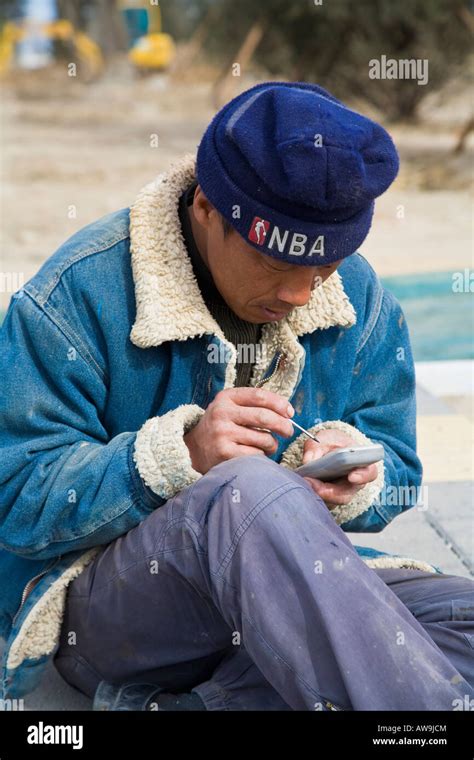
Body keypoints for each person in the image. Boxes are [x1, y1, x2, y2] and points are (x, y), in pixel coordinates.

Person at [0, 82, 472, 711]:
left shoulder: (359, 295)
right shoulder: (73, 296)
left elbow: (399, 463)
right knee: (248, 489)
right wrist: (180, 456)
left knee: (460, 621)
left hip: (282, 598)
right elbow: (15, 494)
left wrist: (354, 472)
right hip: (106, 610)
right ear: (205, 208)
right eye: (278, 268)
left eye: (325, 269)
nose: (304, 294)